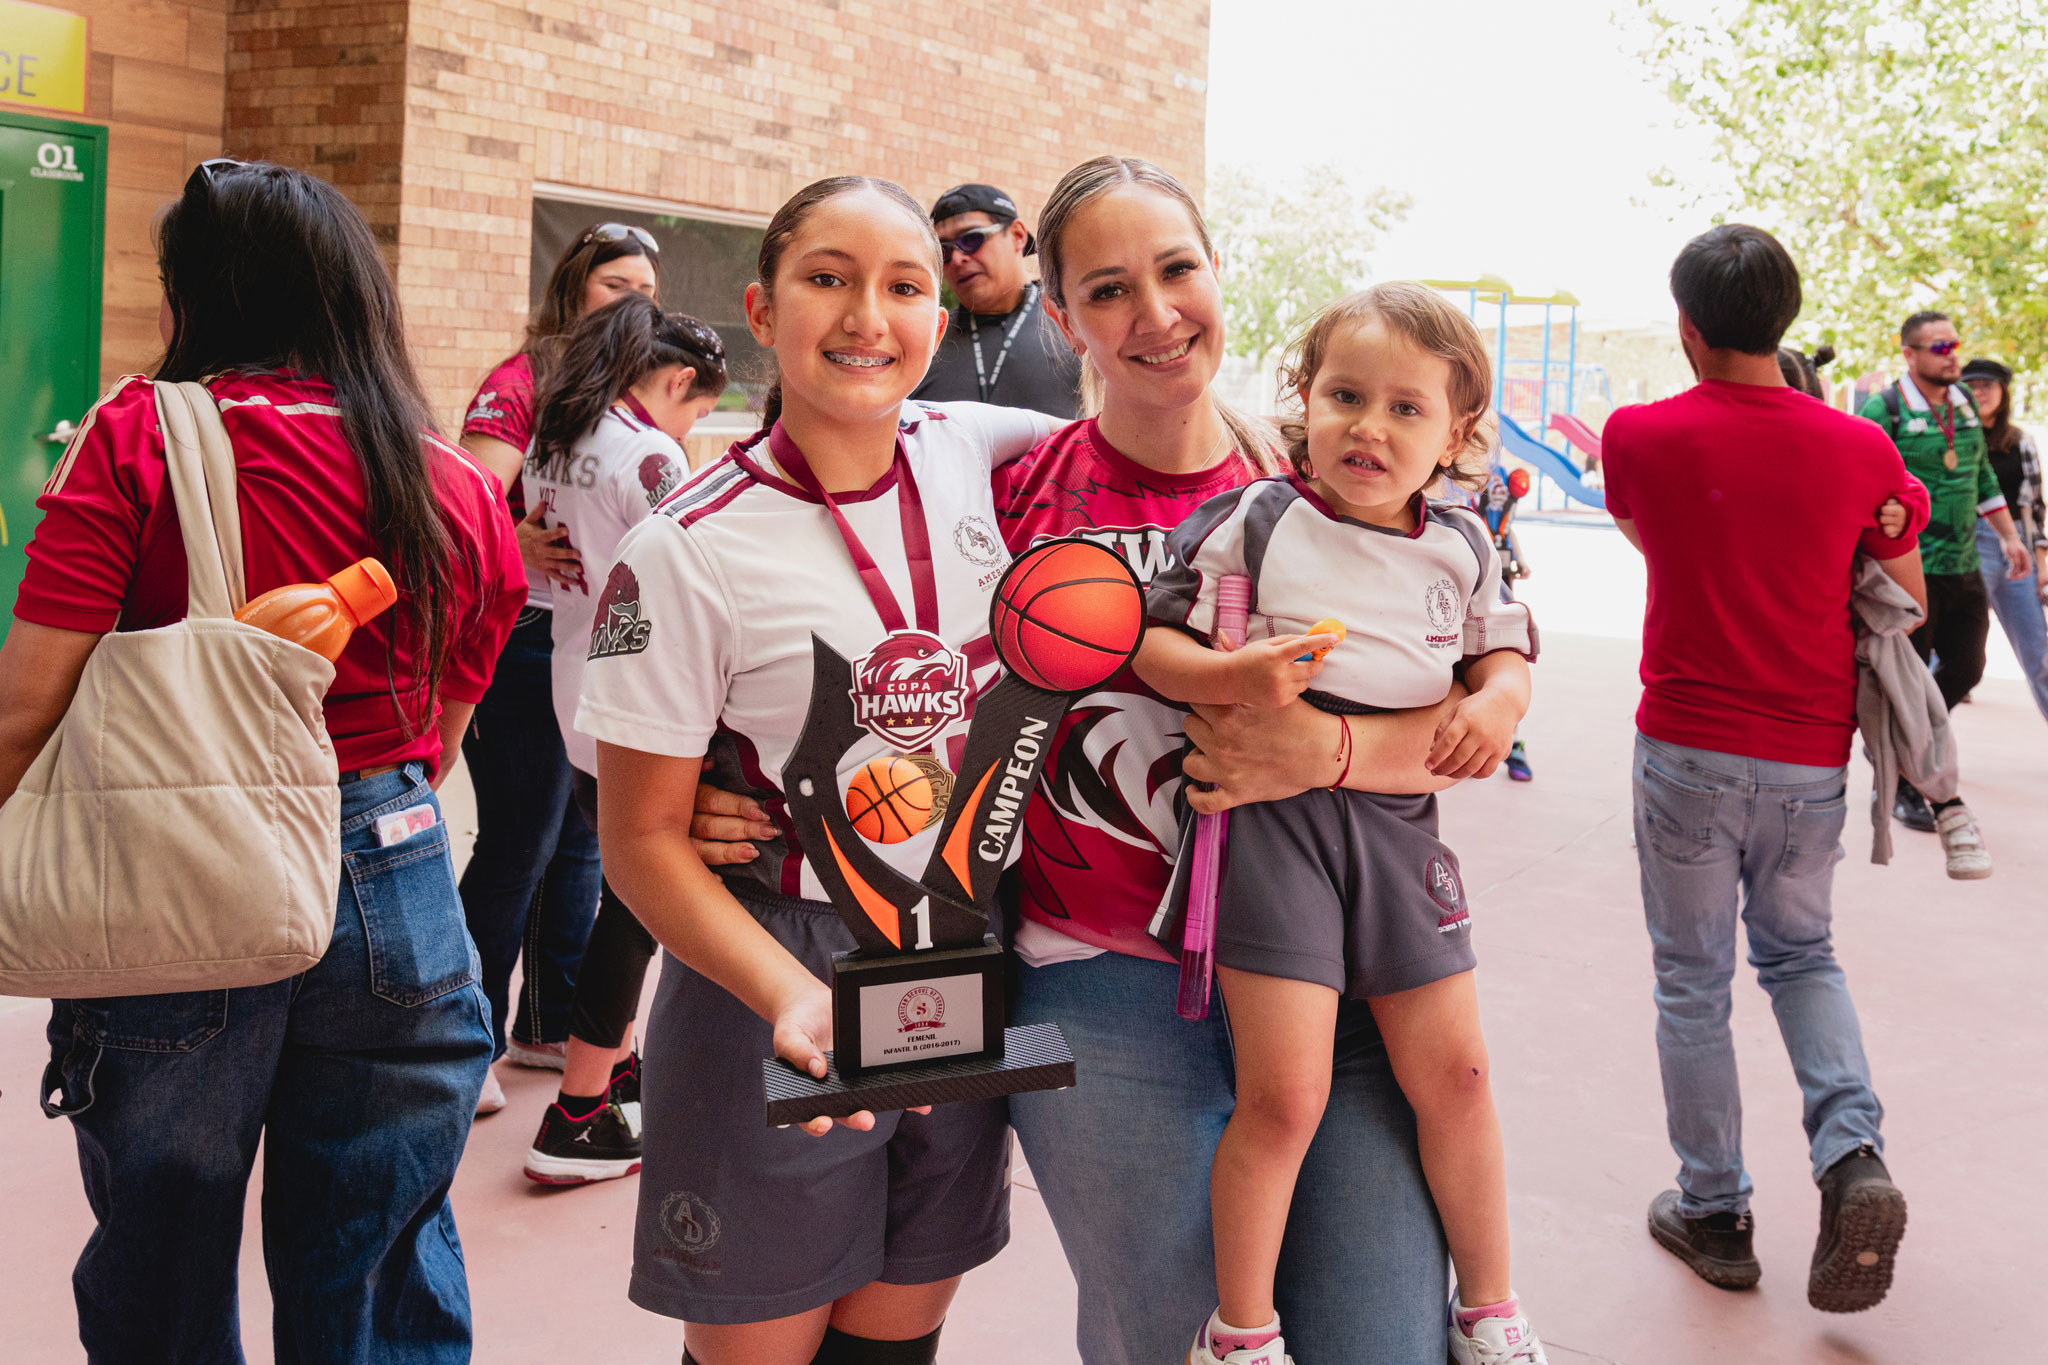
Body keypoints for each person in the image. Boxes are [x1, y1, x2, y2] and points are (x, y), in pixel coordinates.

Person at [688, 155, 1469, 1363]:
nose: (1153, 314)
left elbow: (1463, 725)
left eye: (1176, 270)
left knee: (1384, 1340)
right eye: (1106, 290)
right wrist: (720, 778)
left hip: (1336, 974)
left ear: (1216, 273)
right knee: (1174, 1340)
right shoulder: (1002, 493)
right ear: (1059, 316)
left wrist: (1326, 748)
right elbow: (843, 615)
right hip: (1101, 985)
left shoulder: (1329, 475)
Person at [3, 159, 523, 1360]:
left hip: (174, 873)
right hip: (396, 874)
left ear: (196, 292)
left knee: (165, 1248)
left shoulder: (140, 434)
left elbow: (23, 711)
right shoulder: (453, 481)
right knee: (376, 1261)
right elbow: (441, 740)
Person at [574, 176, 1056, 1365]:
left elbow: (1134, 434)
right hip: (775, 966)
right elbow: (638, 845)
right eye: (827, 279)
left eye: (903, 287)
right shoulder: (682, 549)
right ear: (760, 308)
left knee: (895, 1340)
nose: (866, 317)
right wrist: (791, 996)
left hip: (955, 948)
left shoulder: (966, 448)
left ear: (938, 318)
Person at [1135, 283, 1542, 1365]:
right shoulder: (1257, 519)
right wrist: (1229, 675)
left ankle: (1490, 1311)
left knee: (1457, 1076)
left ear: (1454, 433)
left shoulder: (1463, 543)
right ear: (1304, 399)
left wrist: (1499, 704)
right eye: (1346, 396)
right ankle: (1240, 1331)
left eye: (1407, 409)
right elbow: (1151, 643)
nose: (1370, 426)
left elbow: (1502, 651)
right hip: (1272, 835)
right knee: (1286, 1097)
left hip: (1401, 834)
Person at [1602, 224, 1928, 1313]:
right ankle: (1851, 1157)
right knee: (1801, 957)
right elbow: (1904, 599)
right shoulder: (1861, 450)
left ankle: (1714, 1213)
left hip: (1685, 748)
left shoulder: (1639, 433)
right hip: (1806, 756)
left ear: (1687, 328)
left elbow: (1656, 542)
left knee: (1692, 981)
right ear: (1784, 320)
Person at [517, 294, 728, 1182]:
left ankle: (615, 1066)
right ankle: (577, 1110)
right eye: (698, 412)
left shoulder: (557, 436)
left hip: (577, 684)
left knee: (623, 889)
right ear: (677, 381)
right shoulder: (648, 454)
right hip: (639, 696)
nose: (691, 431)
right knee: (638, 906)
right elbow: (701, 559)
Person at [458, 221, 661, 1109]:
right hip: (522, 635)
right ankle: (458, 1038)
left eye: (646, 290)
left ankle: (547, 1026)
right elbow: (461, 499)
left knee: (583, 839)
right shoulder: (523, 379)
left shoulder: (621, 388)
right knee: (520, 840)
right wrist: (512, 538)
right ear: (574, 286)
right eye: (618, 285)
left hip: (594, 641)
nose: (635, 303)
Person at [1858, 311, 2030, 837]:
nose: (1952, 354)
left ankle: (1906, 745)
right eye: (1939, 347)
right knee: (1909, 682)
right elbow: (1860, 481)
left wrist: (2009, 536)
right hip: (1909, 571)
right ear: (1909, 354)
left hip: (1964, 565)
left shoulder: (1963, 404)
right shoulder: (1883, 409)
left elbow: (1980, 475)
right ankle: (1904, 780)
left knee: (1967, 668)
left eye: (1953, 344)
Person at [910, 182, 1083, 417]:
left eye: (971, 239)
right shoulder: (925, 341)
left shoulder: (1075, 323)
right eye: (944, 251)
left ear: (1017, 235)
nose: (958, 258)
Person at [1960, 357, 2048, 722]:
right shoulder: (1954, 436)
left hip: (2016, 548)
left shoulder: (2020, 441)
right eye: (1972, 386)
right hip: (1969, 543)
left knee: (2039, 651)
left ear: (2003, 392)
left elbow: (2035, 507)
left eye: (1987, 385)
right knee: (1955, 647)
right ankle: (1920, 743)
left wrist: (2041, 563)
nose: (1979, 393)